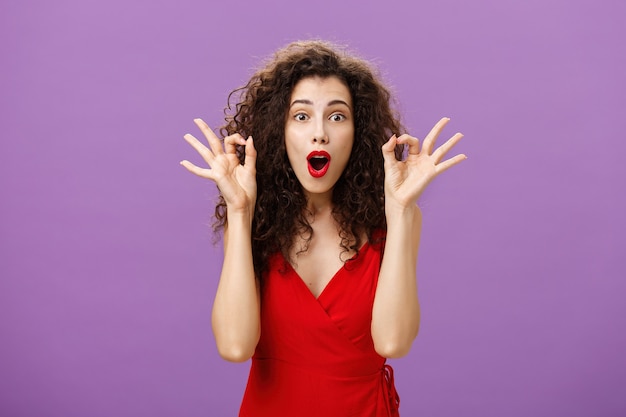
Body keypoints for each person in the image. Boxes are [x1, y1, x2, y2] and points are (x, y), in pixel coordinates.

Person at [180, 40, 466, 417]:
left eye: (336, 116)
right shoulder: (251, 224)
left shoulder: (397, 222)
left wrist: (399, 210)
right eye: (301, 117)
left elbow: (393, 342)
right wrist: (239, 210)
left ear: (357, 131)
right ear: (277, 131)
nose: (319, 134)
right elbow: (235, 347)